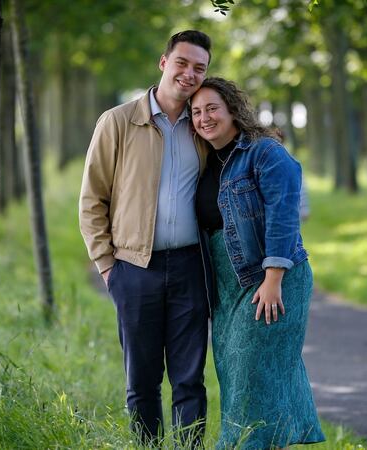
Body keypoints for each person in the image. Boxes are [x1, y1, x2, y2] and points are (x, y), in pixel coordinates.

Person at [79, 30, 212, 445]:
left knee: (190, 381)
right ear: (163, 63)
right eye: (183, 63)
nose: (189, 74)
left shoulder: (205, 124)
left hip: (192, 267)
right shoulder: (118, 122)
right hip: (134, 268)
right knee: (142, 381)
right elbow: (91, 199)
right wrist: (107, 266)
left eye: (199, 68)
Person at [191, 77, 325, 449]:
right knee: (237, 376)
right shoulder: (203, 160)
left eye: (212, 108)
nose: (204, 118)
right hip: (227, 287)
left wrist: (273, 277)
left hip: (271, 279)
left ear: (233, 109)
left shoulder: (264, 152)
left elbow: (285, 215)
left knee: (253, 374)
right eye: (197, 111)